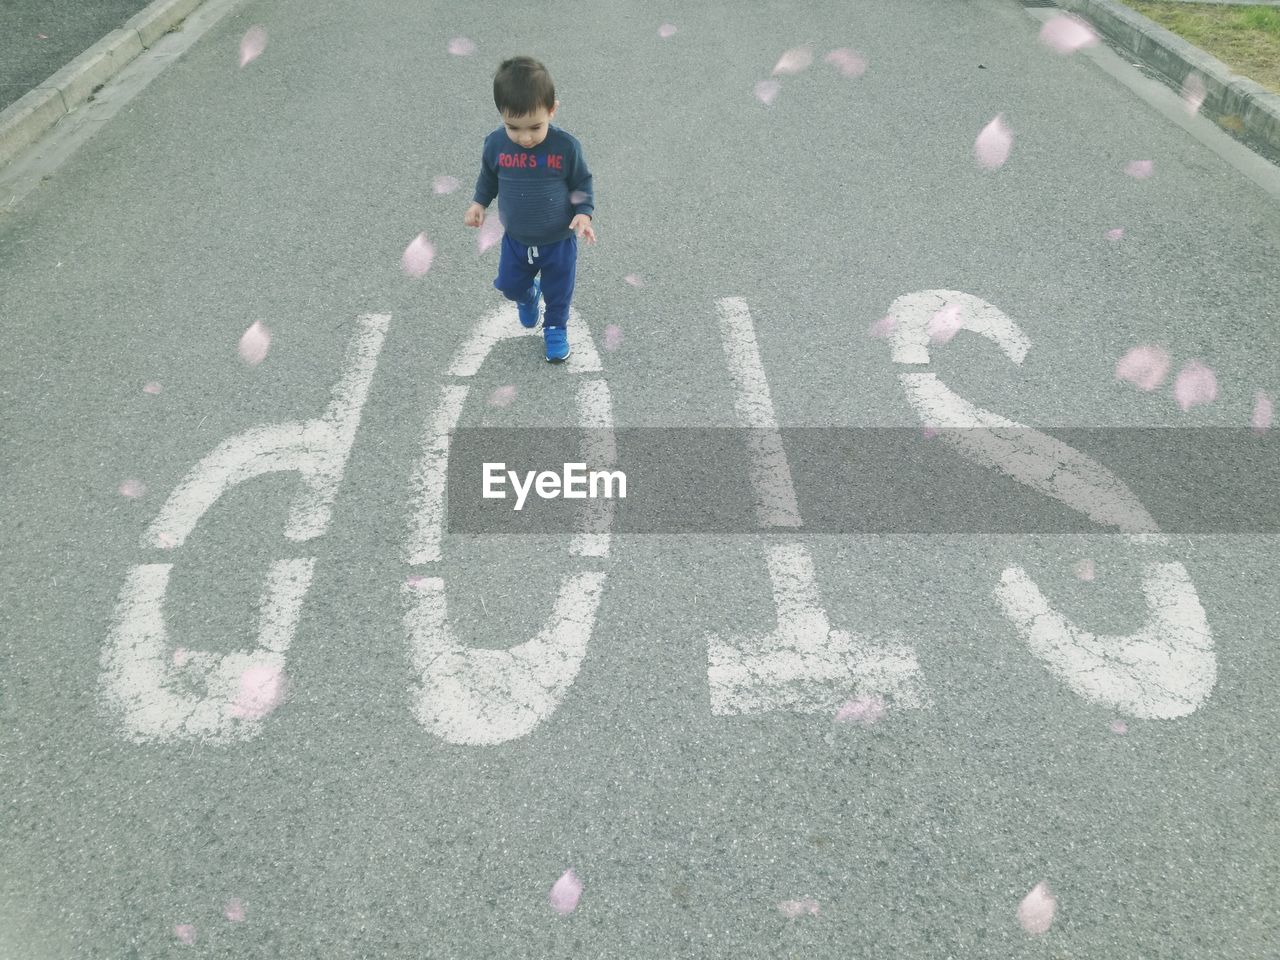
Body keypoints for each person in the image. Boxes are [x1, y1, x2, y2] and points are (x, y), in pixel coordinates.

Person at [464, 56, 597, 362]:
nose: (525, 138)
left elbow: (581, 182)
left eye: (535, 127)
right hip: (517, 239)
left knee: (558, 292)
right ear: (501, 116)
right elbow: (488, 177)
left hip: (558, 240)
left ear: (552, 110)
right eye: (514, 127)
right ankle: (527, 295)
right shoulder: (496, 144)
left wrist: (583, 212)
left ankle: (555, 329)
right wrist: (478, 203)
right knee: (510, 285)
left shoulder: (565, 147)